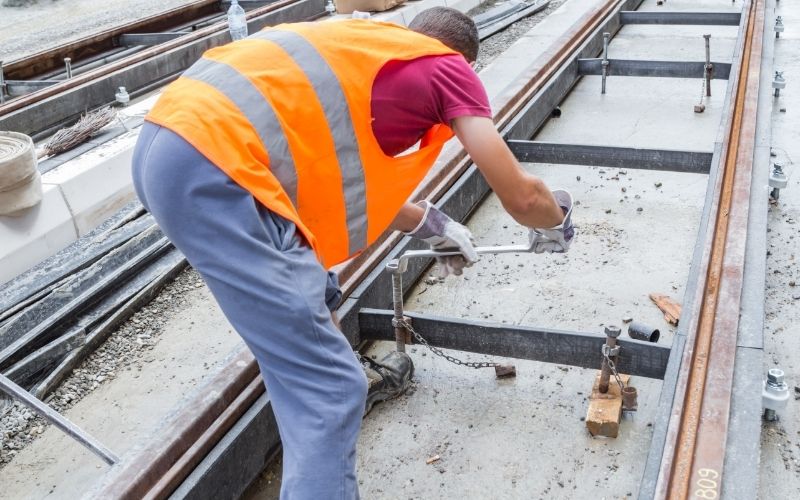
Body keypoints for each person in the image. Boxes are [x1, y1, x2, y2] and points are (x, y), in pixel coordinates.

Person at [131, 6, 573, 499]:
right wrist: (558, 222)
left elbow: (338, 182)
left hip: (166, 144)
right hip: (216, 167)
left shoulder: (361, 51)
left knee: (315, 299)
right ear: (461, 60)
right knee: (330, 389)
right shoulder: (449, 67)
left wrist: (428, 223)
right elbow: (523, 197)